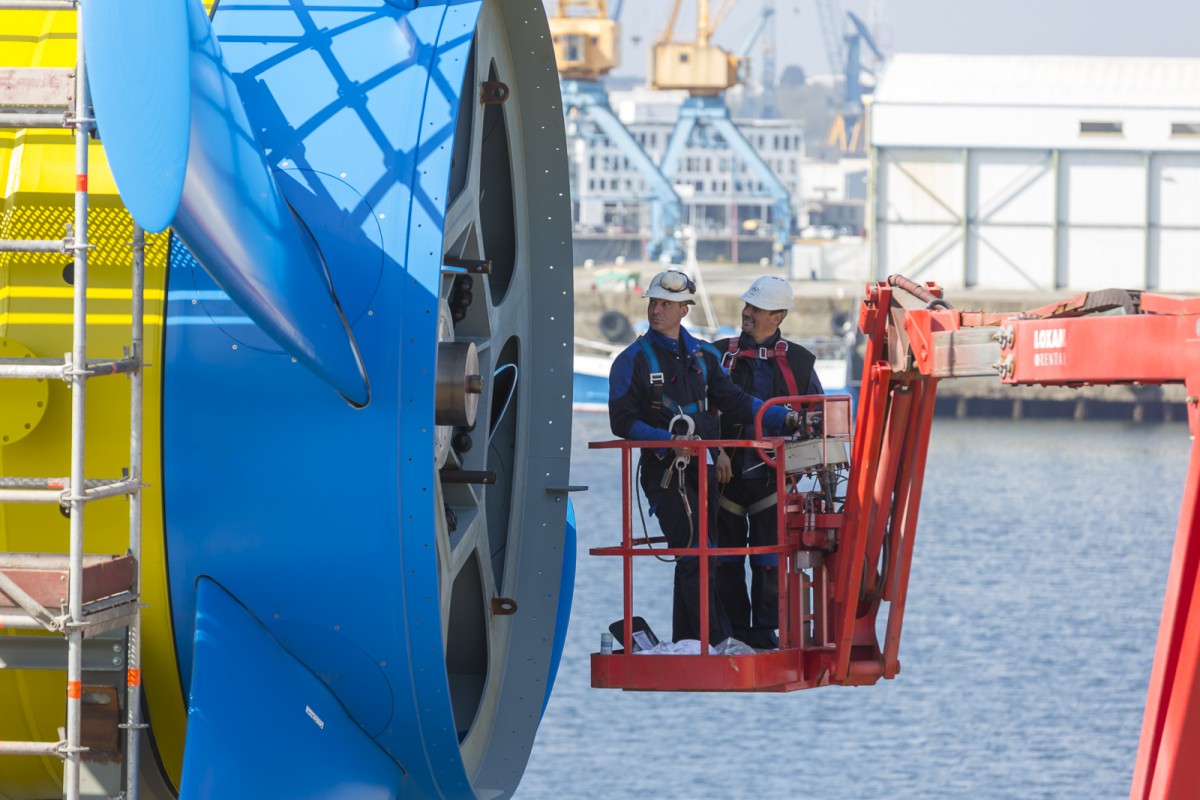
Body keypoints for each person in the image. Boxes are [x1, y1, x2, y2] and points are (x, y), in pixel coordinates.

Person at [608, 270, 797, 646]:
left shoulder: (704, 356)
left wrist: (785, 417)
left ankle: (690, 638)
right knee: (696, 551)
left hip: (703, 468)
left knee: (699, 553)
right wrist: (667, 440)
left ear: (684, 309)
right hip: (665, 472)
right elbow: (623, 421)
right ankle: (718, 639)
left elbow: (738, 404)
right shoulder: (631, 361)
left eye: (665, 304)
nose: (656, 310)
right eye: (653, 302)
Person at [712, 275, 823, 650]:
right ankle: (730, 632)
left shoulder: (799, 363)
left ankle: (762, 633)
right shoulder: (717, 355)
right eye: (746, 306)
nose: (746, 313)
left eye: (755, 308)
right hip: (725, 476)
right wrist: (716, 451)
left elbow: (818, 415)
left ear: (777, 317)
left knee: (769, 562)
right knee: (723, 561)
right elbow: (698, 410)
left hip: (773, 479)